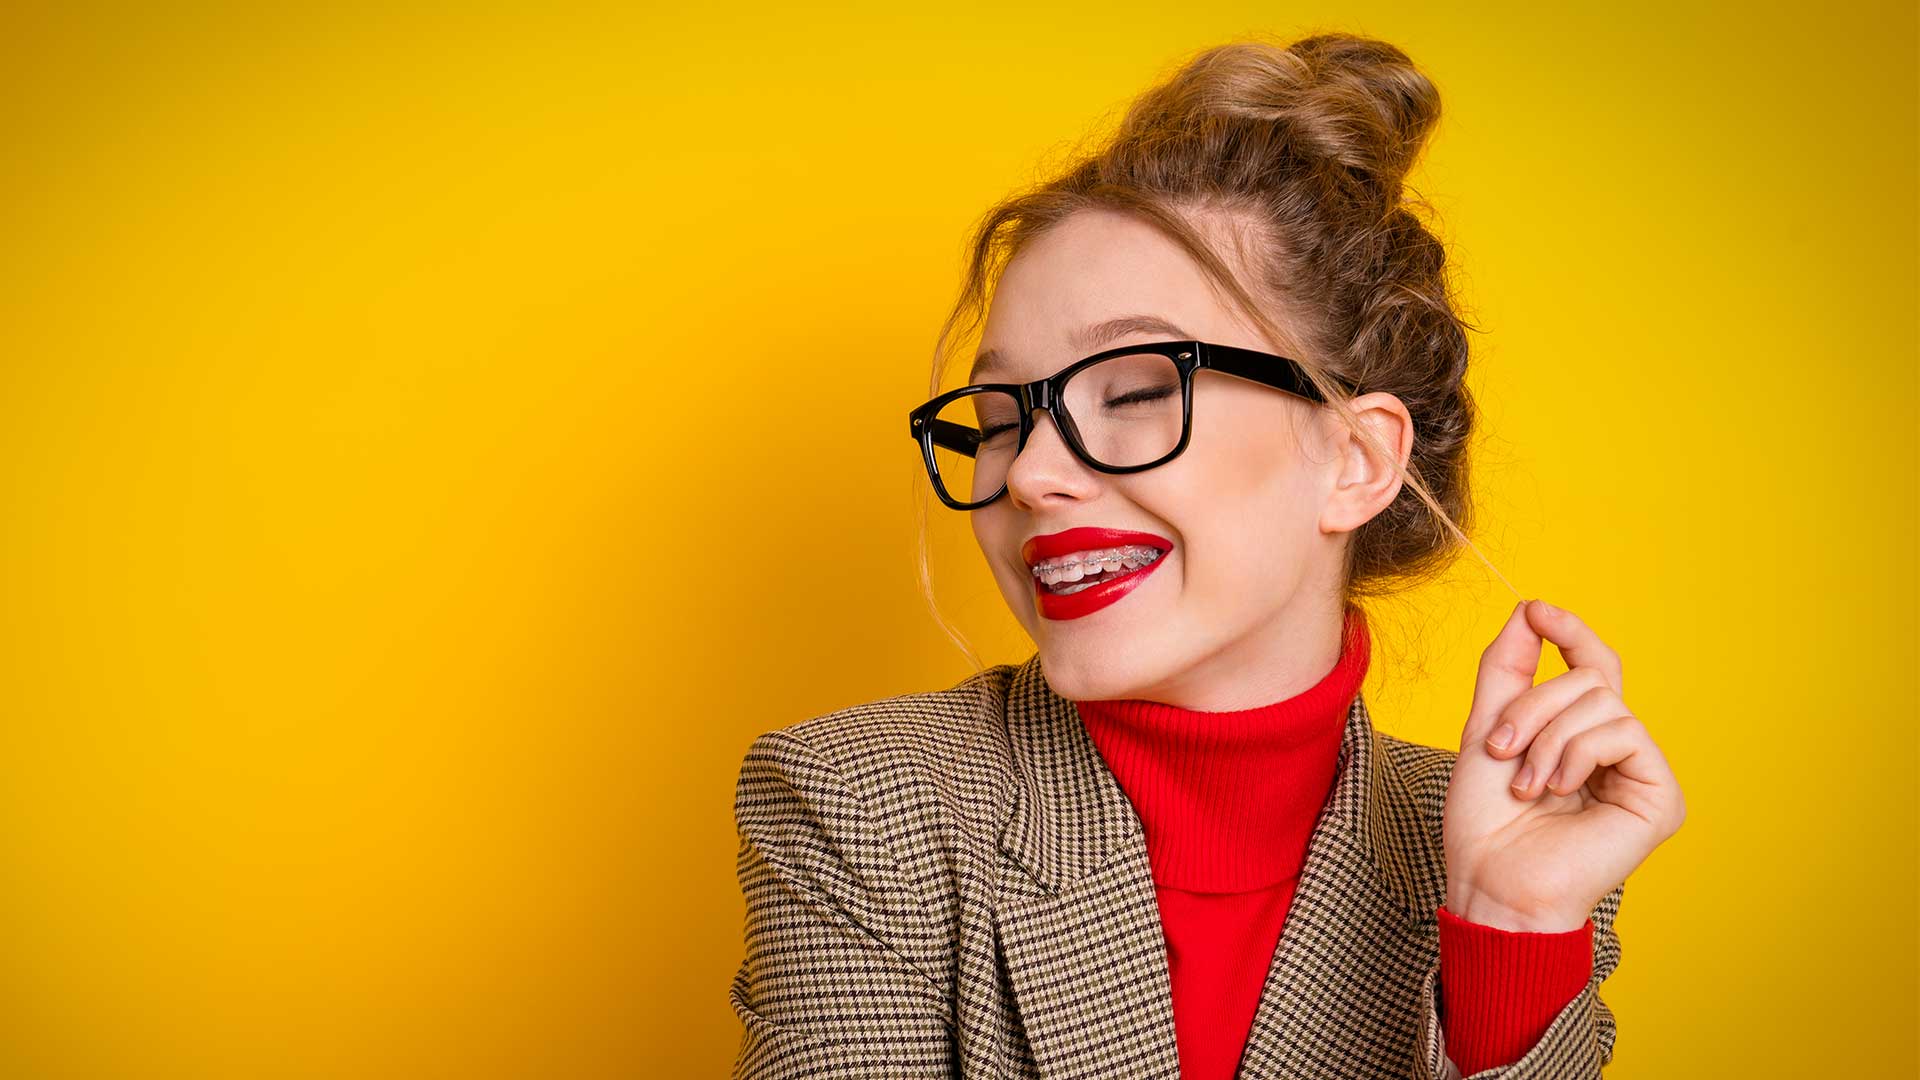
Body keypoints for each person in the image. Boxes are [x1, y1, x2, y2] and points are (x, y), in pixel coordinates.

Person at [729, 31, 1685, 1080]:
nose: (1032, 473)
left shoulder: (1507, 852)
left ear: (1357, 459)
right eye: (1001, 415)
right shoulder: (861, 801)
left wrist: (1509, 925)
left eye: (1136, 392)